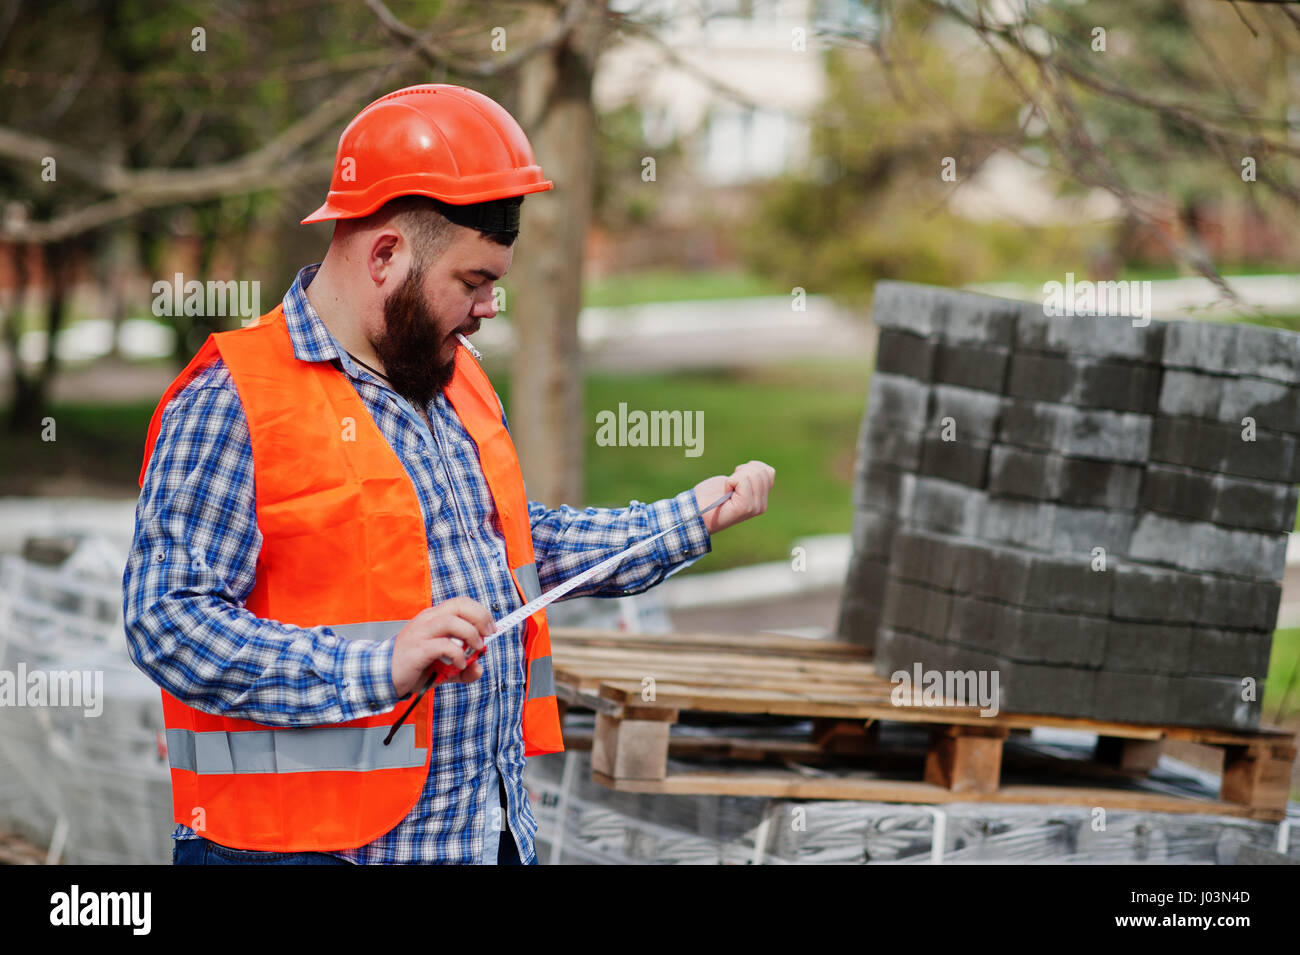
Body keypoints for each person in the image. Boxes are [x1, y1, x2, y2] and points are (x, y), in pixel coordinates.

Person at [122, 84, 775, 865]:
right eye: (474, 282)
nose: (489, 309)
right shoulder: (234, 397)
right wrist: (372, 665)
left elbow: (513, 546)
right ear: (387, 255)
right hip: (301, 851)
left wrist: (686, 519)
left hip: (475, 835)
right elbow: (167, 619)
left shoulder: (449, 375)